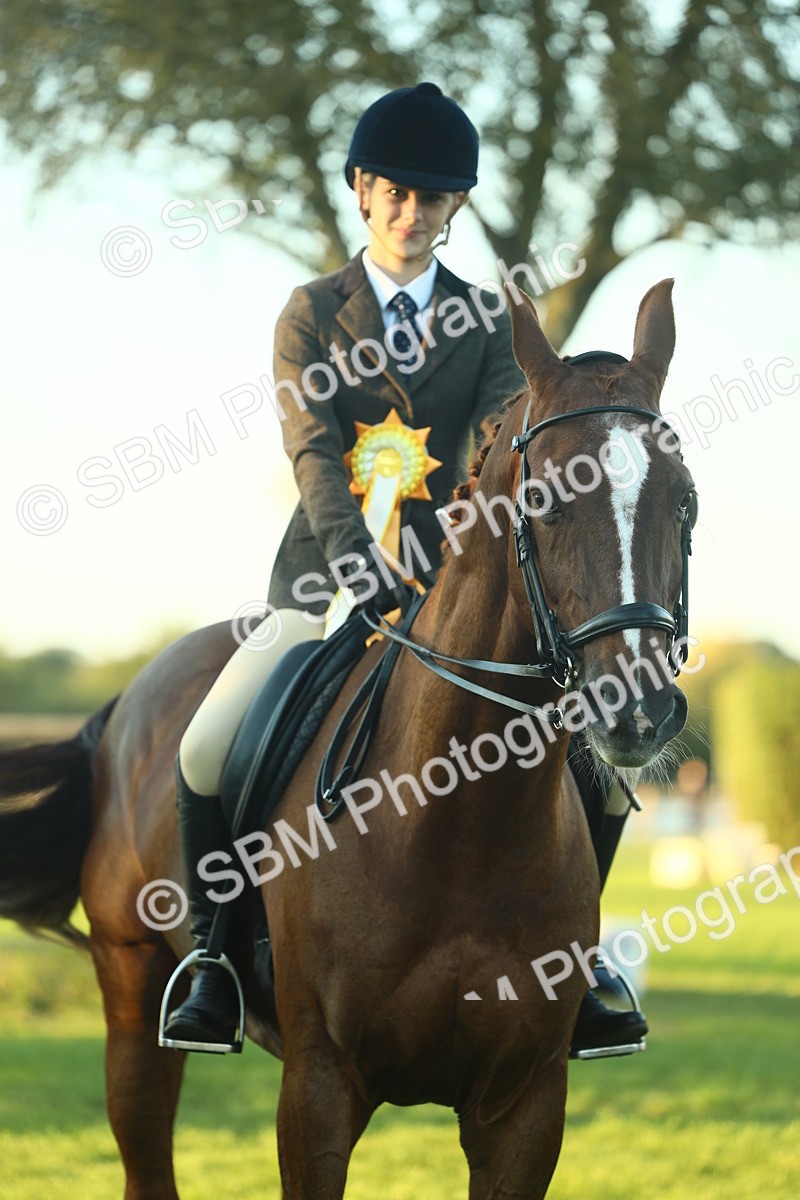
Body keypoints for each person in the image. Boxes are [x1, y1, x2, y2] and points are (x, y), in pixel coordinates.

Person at [161, 82, 647, 1057]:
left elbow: (496, 449)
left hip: (454, 585)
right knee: (206, 746)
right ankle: (215, 956)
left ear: (454, 205)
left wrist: (450, 564)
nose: (410, 211)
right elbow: (311, 453)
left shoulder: (488, 320)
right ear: (361, 191)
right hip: (323, 578)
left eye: (431, 197)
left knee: (597, 767)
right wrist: (358, 560)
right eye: (393, 192)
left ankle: (580, 960)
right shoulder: (310, 314)